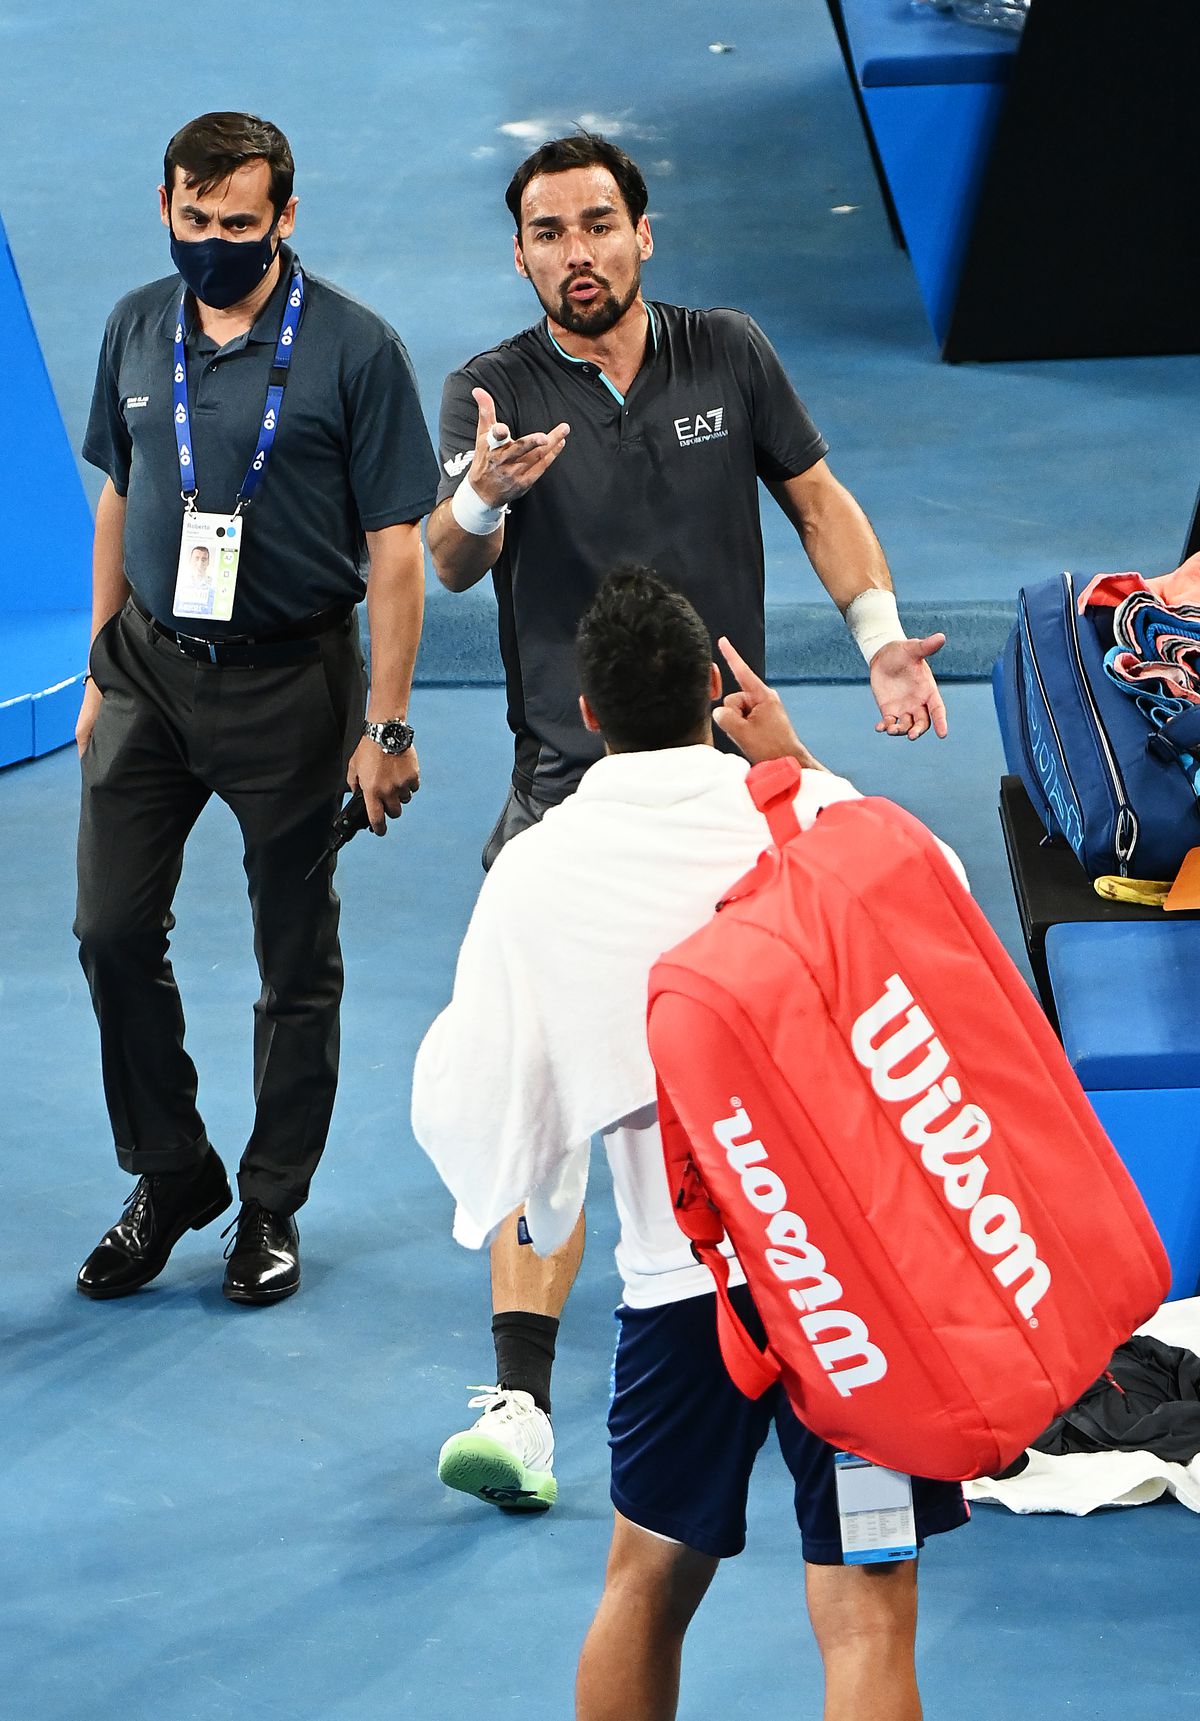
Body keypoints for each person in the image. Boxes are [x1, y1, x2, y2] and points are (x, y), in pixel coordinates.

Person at [426, 129, 949, 1500]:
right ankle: (523, 1406)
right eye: (548, 233)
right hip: (565, 790)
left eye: (598, 225)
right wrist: (487, 489)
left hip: (732, 779)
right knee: (556, 1091)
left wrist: (880, 634)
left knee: (793, 1071)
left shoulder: (730, 351)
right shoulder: (490, 389)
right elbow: (451, 560)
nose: (575, 253)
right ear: (524, 253)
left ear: (643, 235)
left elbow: (817, 498)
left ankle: (839, 1334)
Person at [412, 568, 969, 1720]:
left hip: (688, 1297)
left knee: (648, 1581)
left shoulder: (539, 870)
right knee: (869, 1608)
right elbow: (942, 900)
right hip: (859, 1298)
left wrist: (549, 1172)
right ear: (718, 689)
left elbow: (476, 1104)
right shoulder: (809, 814)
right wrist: (800, 758)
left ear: (589, 713)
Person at [74, 111, 438, 1304]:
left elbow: (395, 552)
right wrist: (95, 666)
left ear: (286, 217)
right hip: (147, 670)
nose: (215, 242)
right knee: (111, 933)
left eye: (240, 224)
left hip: (296, 682)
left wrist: (383, 726)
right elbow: (122, 499)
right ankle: (173, 1169)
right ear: (167, 209)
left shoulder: (354, 348)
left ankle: (272, 1200)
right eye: (196, 220)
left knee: (295, 957)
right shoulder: (136, 324)